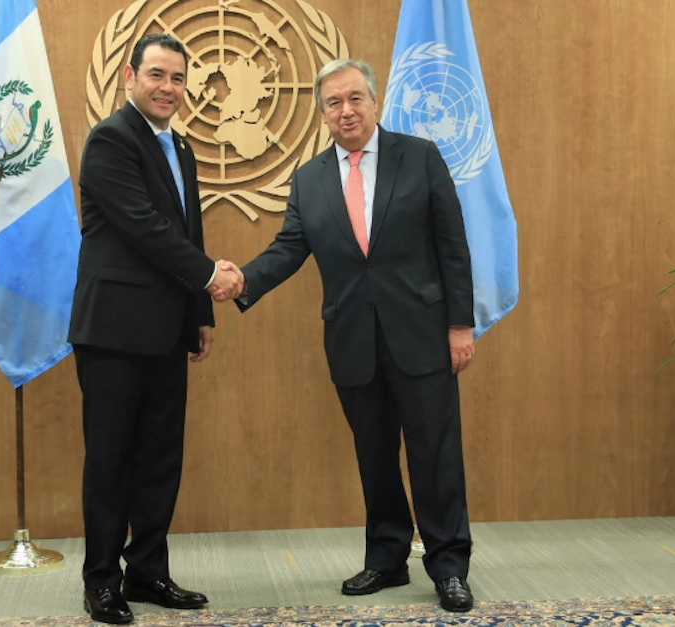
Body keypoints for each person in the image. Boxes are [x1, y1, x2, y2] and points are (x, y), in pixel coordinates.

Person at [221, 58, 476, 612]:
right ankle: (386, 559)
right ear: (322, 114)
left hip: (422, 334)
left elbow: (452, 244)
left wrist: (459, 324)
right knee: (374, 456)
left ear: (375, 103)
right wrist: (243, 279)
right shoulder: (309, 178)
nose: (346, 111)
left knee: (435, 455)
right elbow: (290, 248)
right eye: (333, 103)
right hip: (353, 338)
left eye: (355, 98)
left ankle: (449, 566)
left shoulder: (420, 156)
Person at [69, 33, 243, 625]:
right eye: (157, 75)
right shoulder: (110, 140)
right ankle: (101, 581)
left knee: (160, 458)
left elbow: (187, 231)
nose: (168, 88)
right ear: (130, 76)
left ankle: (146, 571)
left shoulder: (182, 147)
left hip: (168, 330)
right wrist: (211, 275)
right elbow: (143, 226)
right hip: (113, 332)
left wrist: (201, 314)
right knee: (111, 460)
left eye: (177, 78)